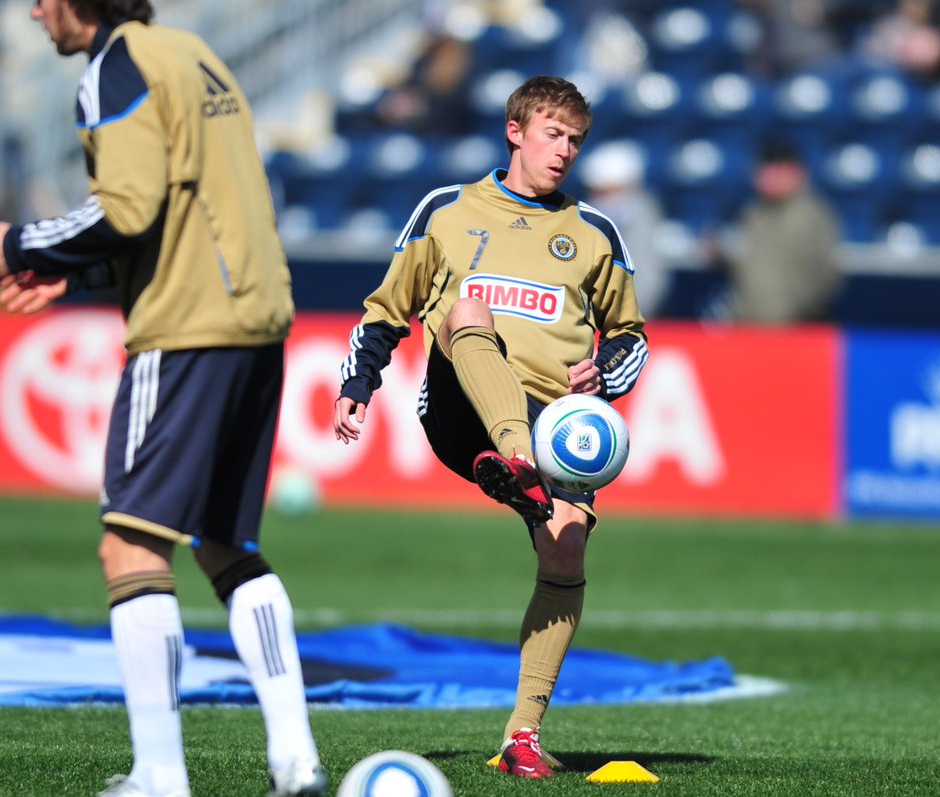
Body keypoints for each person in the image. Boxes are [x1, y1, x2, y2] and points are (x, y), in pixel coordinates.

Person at [0, 1, 323, 795]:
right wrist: (80, 271)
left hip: (187, 326)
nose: (32, 10)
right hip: (258, 316)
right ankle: (295, 758)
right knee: (226, 543)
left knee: (130, 545)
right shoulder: (193, 53)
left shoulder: (113, 68)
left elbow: (130, 206)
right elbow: (190, 202)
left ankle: (160, 775)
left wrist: (20, 242)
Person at [332, 75, 648, 779]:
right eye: (552, 134)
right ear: (516, 131)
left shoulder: (594, 233)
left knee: (566, 549)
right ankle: (514, 458)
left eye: (575, 139)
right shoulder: (446, 209)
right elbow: (387, 307)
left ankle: (522, 737)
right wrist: (359, 383)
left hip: (553, 420)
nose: (564, 150)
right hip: (461, 411)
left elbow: (630, 339)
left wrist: (604, 376)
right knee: (466, 311)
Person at [711, 140, 842, 324]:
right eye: (764, 169)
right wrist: (721, 256)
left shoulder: (811, 215)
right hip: (748, 324)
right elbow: (748, 261)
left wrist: (800, 313)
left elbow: (825, 274)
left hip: (795, 327)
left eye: (774, 169)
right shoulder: (753, 214)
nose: (765, 177)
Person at [579, 139, 674, 318]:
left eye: (607, 191)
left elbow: (649, 284)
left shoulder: (644, 221)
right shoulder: (586, 222)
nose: (600, 199)